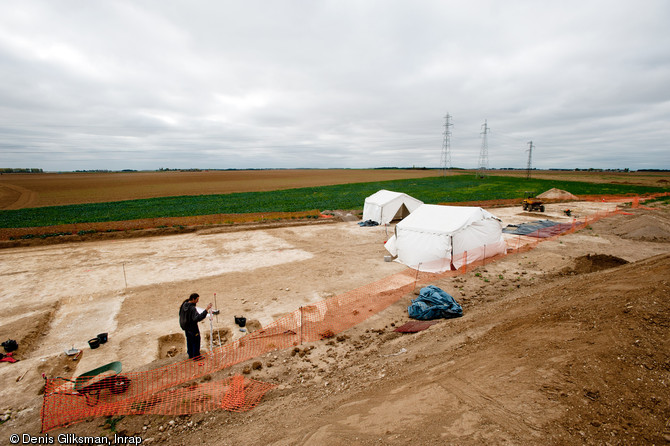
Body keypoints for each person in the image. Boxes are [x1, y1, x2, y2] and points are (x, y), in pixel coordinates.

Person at [179, 293, 212, 360]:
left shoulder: (184, 304)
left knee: (189, 340)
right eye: (197, 299)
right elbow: (197, 318)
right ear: (193, 299)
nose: (198, 301)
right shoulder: (192, 308)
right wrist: (206, 310)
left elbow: (180, 314)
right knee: (196, 341)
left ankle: (191, 354)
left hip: (186, 327)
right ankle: (196, 356)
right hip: (192, 328)